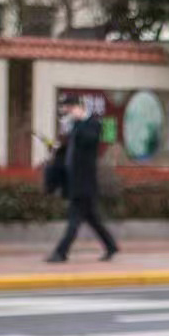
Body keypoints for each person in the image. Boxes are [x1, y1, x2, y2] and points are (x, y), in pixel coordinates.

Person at [48, 96, 119, 263]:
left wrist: (80, 122)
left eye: (71, 108)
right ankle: (110, 246)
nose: (69, 112)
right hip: (75, 182)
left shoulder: (92, 124)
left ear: (79, 107)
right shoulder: (76, 126)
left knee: (74, 221)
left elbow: (90, 140)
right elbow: (72, 152)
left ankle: (61, 252)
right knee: (93, 220)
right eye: (67, 109)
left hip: (84, 183)